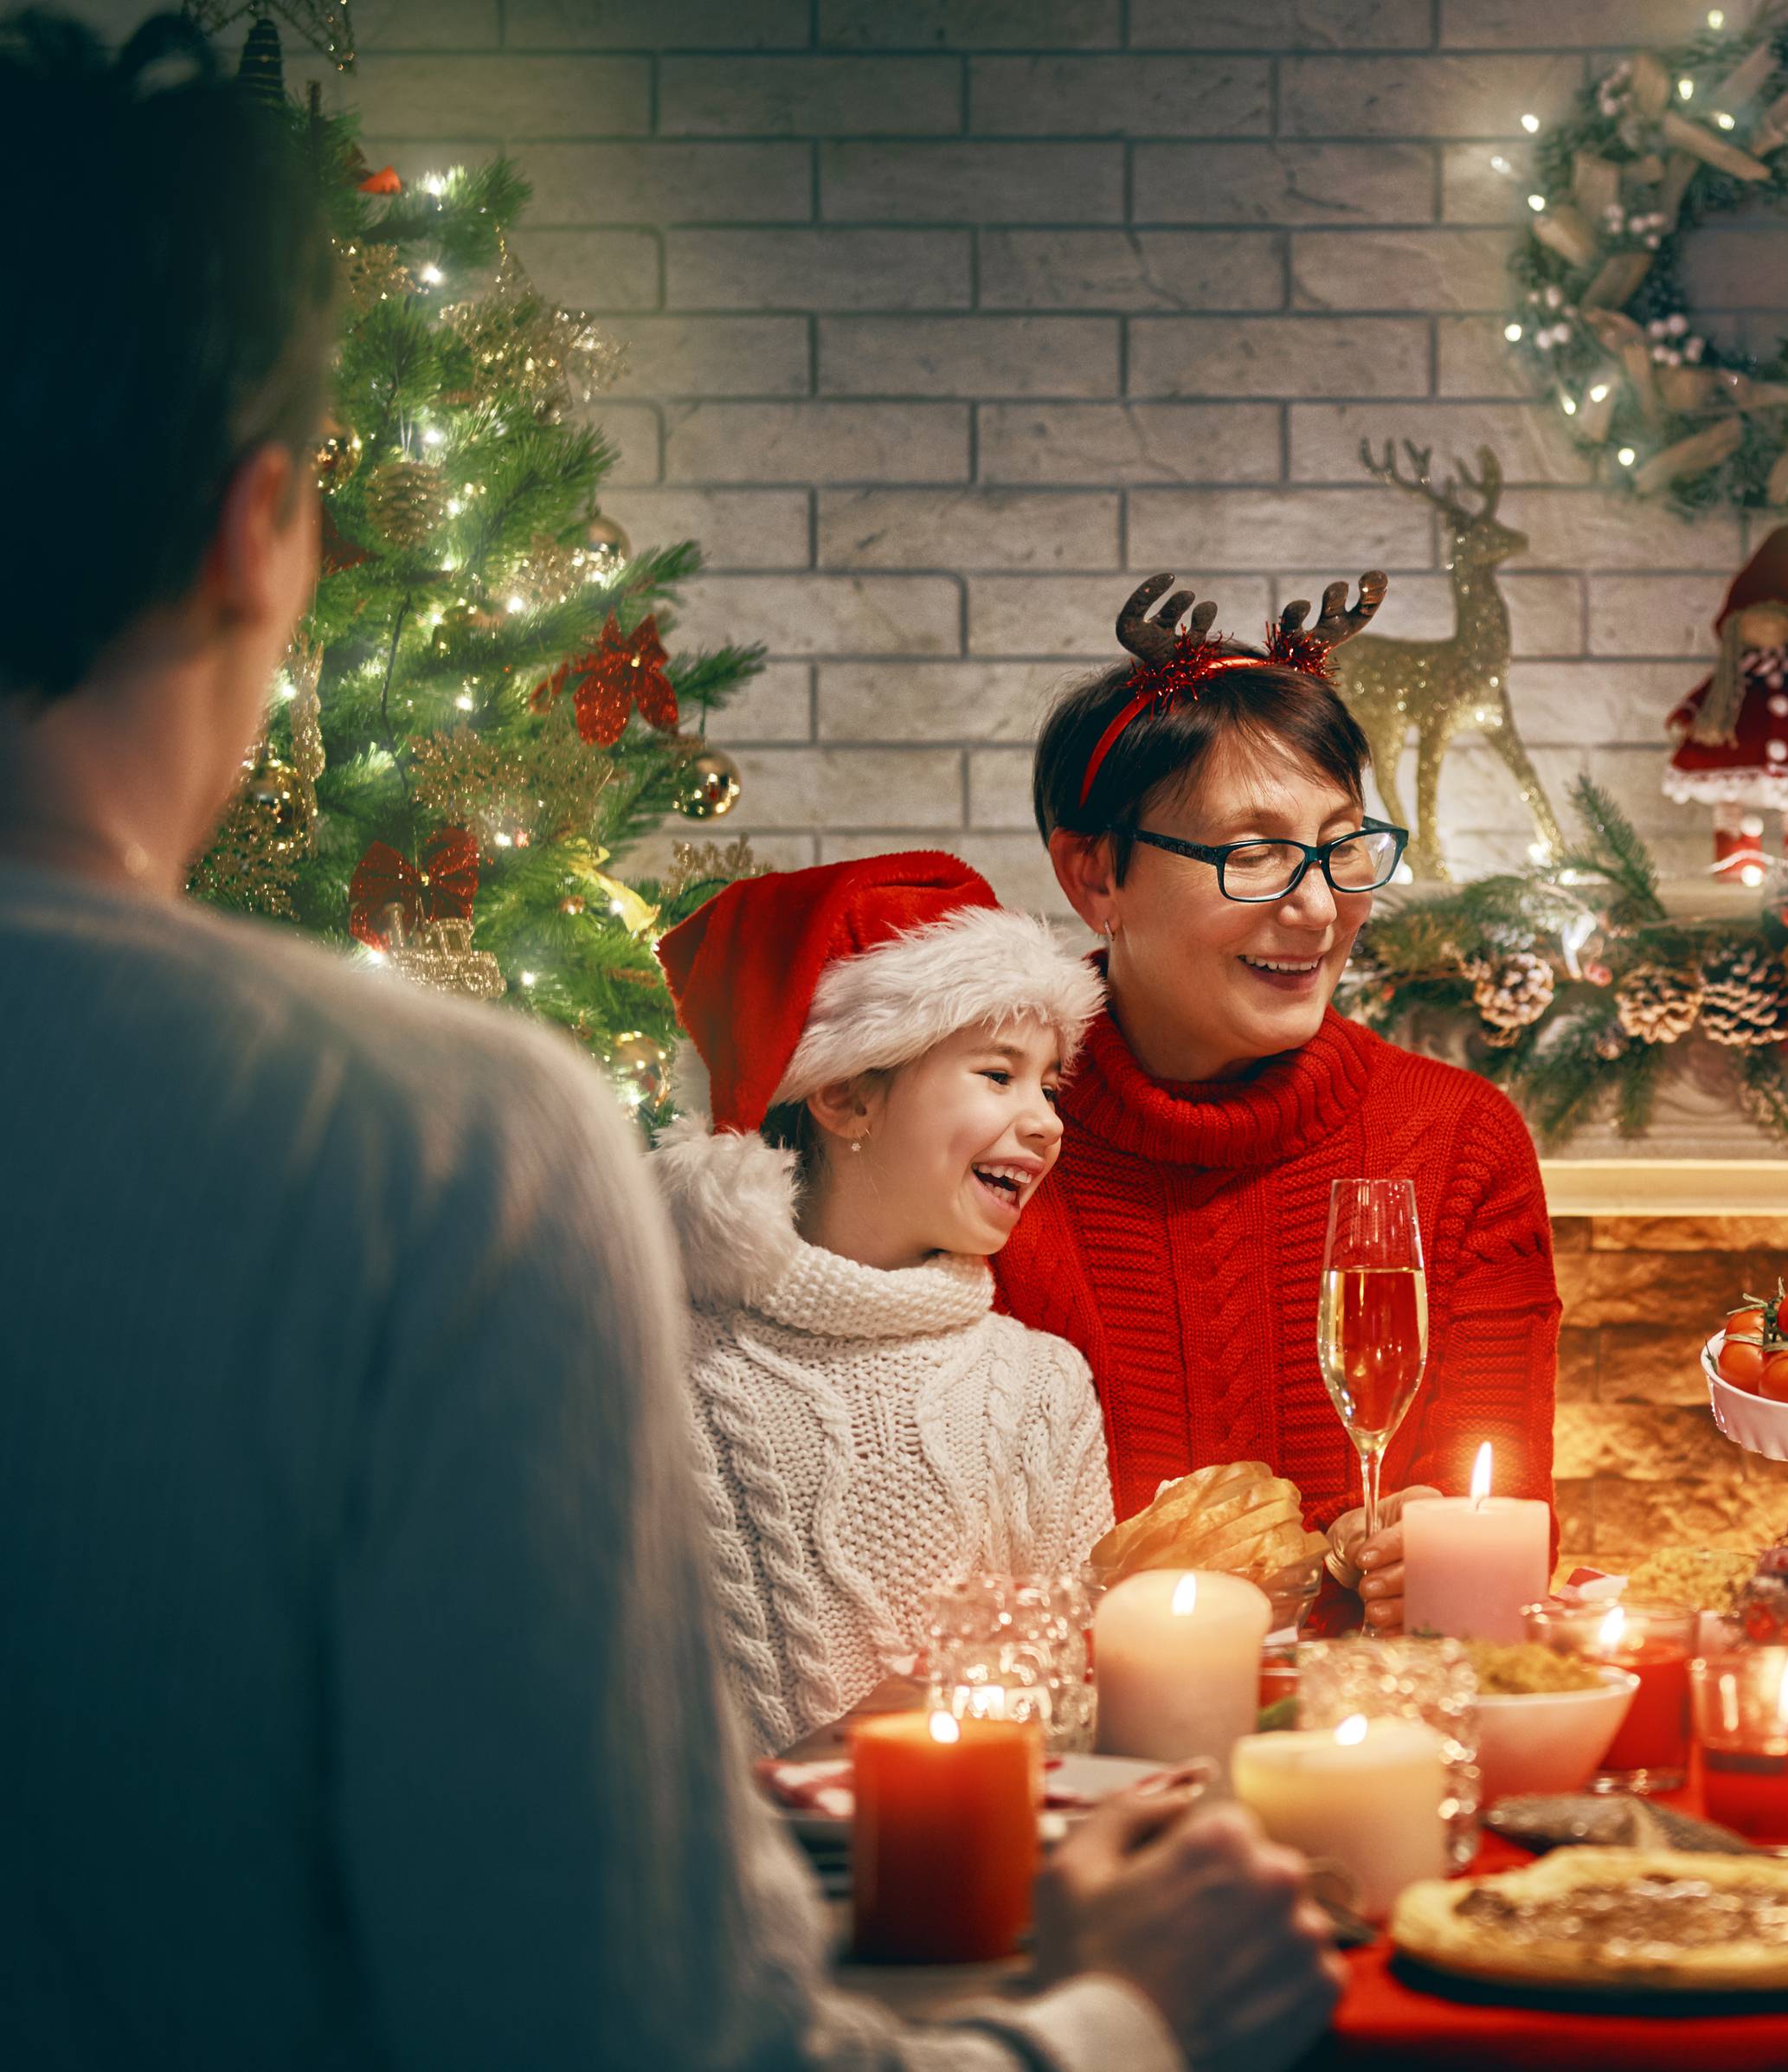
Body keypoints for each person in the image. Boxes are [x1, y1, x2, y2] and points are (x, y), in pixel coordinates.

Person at [0, 15, 1336, 2067]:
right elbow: (637, 2037)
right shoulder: (424, 1158)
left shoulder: (1002, 1357)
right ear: (257, 533)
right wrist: (1120, 2022)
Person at [993, 575, 1563, 1634]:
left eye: (1341, 845)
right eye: (1252, 853)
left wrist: (1438, 1545)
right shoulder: (989, 1138)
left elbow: (1510, 1523)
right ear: (1094, 876)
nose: (1315, 907)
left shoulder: (1457, 1142)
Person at [650, 853, 1112, 1753]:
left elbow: (1077, 1709)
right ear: (845, 1094)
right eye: (997, 1074)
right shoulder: (664, 1375)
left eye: (1049, 1082)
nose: (1048, 1119)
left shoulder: (1040, 1388)